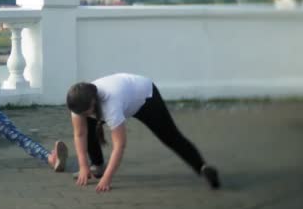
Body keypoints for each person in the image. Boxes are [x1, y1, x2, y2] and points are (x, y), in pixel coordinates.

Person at [66, 73, 220, 193]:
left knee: (171, 137)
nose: (81, 116)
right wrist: (83, 165)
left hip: (145, 97)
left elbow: (119, 145)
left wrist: (107, 179)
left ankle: (202, 167)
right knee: (88, 125)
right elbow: (80, 134)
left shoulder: (111, 103)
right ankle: (97, 165)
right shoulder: (78, 103)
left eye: (85, 112)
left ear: (93, 103)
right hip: (123, 94)